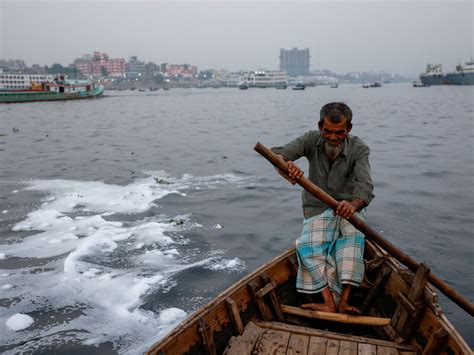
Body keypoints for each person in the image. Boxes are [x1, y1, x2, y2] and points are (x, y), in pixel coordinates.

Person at [271, 102, 374, 314]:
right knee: (307, 247)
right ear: (320, 126)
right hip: (317, 207)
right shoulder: (310, 139)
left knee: (352, 242)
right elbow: (277, 154)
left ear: (349, 129)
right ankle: (328, 302)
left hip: (348, 208)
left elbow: (365, 187)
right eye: (328, 131)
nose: (333, 137)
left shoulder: (359, 148)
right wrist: (287, 168)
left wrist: (352, 205)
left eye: (339, 133)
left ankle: (344, 301)